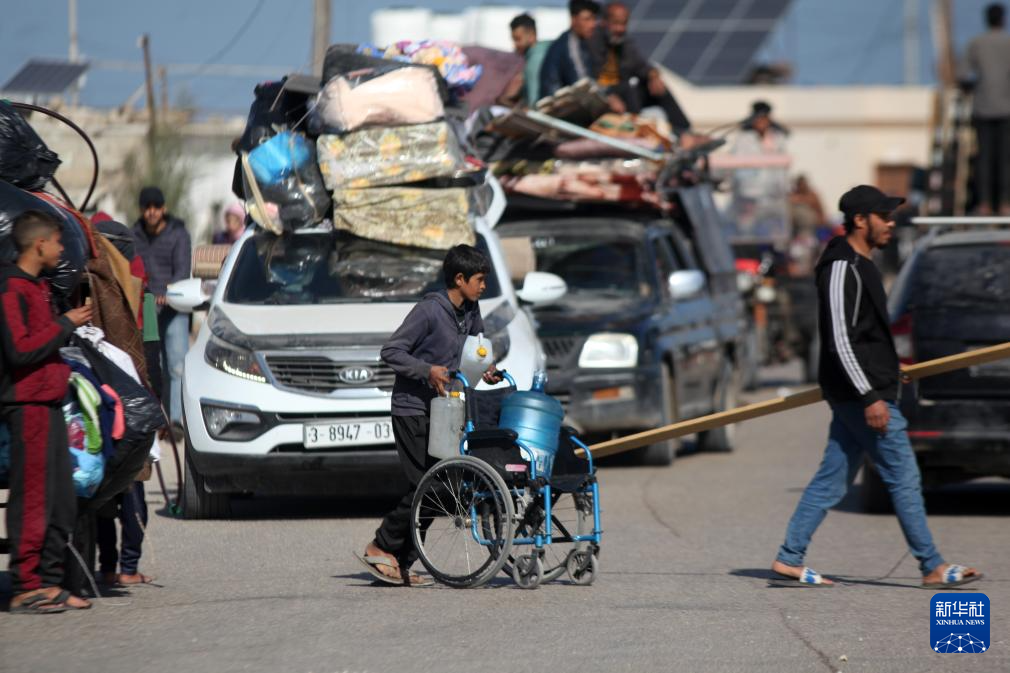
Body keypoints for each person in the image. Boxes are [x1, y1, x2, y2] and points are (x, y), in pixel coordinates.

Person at [771, 185, 983, 589]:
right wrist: (870, 395)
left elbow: (866, 338)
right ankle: (932, 565)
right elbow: (840, 338)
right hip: (862, 397)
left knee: (832, 478)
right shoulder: (840, 266)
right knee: (904, 477)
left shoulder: (864, 264)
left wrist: (892, 367)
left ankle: (789, 557)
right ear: (859, 220)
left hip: (868, 390)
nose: (891, 224)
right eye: (884, 217)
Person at [357, 245, 501, 585]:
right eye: (479, 280)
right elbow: (391, 351)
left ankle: (400, 562)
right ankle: (381, 546)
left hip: (446, 411)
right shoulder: (429, 311)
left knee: (446, 488)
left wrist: (486, 368)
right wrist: (427, 371)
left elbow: (471, 351)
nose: (483, 287)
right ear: (459, 279)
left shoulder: (470, 310)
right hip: (412, 410)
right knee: (429, 486)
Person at [1, 210, 94, 614]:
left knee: (61, 500)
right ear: (39, 244)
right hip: (27, 406)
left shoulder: (37, 287)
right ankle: (26, 584)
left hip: (50, 402)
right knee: (34, 498)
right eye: (57, 242)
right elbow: (20, 350)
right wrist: (64, 324)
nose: (61, 249)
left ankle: (51, 582)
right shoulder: (11, 289)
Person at [132, 186, 191, 439]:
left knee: (176, 365)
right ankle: (158, 418)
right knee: (151, 365)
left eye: (156, 207)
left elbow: (182, 269)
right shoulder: (134, 235)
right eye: (147, 207)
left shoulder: (179, 233)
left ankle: (176, 421)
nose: (152, 212)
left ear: (163, 209)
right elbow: (134, 270)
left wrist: (169, 294)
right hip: (147, 305)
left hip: (175, 303)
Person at [589, 1, 692, 133]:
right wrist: (608, 94)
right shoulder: (592, 43)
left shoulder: (623, 43)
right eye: (615, 23)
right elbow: (591, 77)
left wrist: (653, 75)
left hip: (626, 96)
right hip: (605, 98)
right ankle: (636, 131)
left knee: (658, 88)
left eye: (623, 23)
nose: (620, 29)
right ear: (604, 22)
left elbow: (641, 66)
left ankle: (684, 132)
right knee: (629, 87)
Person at [961, 3, 1010, 215]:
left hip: (983, 108)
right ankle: (1006, 203)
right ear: (1003, 19)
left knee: (984, 158)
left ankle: (984, 204)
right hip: (1007, 109)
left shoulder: (975, 43)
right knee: (1006, 158)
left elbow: (963, 75)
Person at [539, 0, 601, 100]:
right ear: (574, 19)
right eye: (587, 19)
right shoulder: (565, 47)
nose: (592, 24)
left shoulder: (584, 44)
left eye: (594, 19)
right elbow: (581, 84)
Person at [510, 13, 552, 106]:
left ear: (532, 35)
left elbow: (535, 103)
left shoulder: (534, 61)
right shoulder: (548, 49)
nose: (515, 45)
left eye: (518, 39)